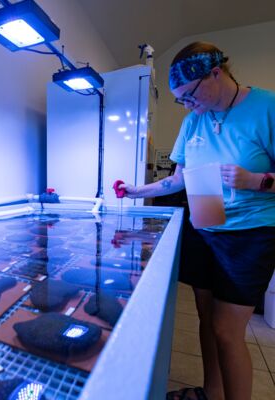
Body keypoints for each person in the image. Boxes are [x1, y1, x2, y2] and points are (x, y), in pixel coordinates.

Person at [117, 42, 275, 400]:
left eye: (189, 95)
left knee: (226, 331)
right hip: (205, 225)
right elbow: (178, 178)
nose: (187, 106)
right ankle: (211, 393)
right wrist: (134, 190)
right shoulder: (194, 121)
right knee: (207, 322)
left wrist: (255, 181)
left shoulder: (267, 108)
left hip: (249, 233)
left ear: (216, 74)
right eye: (180, 100)